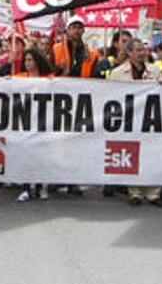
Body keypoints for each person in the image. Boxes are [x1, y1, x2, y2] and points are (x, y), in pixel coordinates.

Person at [111, 38, 162, 207]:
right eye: (139, 50)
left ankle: (153, 193)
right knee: (132, 153)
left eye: (144, 50)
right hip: (129, 118)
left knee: (153, 154)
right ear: (129, 53)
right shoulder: (118, 73)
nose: (143, 53)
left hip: (150, 118)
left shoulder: (155, 71)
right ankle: (134, 192)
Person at [51, 15, 101, 196]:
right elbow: (46, 73)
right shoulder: (56, 49)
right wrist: (58, 69)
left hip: (81, 102)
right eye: (73, 27)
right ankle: (56, 179)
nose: (77, 30)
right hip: (59, 102)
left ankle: (72, 181)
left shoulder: (92, 53)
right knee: (57, 143)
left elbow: (96, 77)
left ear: (83, 30)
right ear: (67, 30)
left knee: (76, 143)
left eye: (80, 27)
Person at [13, 47, 54, 202]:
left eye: (30, 59)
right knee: (25, 155)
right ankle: (25, 188)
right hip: (25, 122)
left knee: (41, 156)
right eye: (25, 60)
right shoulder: (20, 77)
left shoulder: (48, 77)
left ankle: (39, 187)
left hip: (43, 123)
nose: (27, 63)